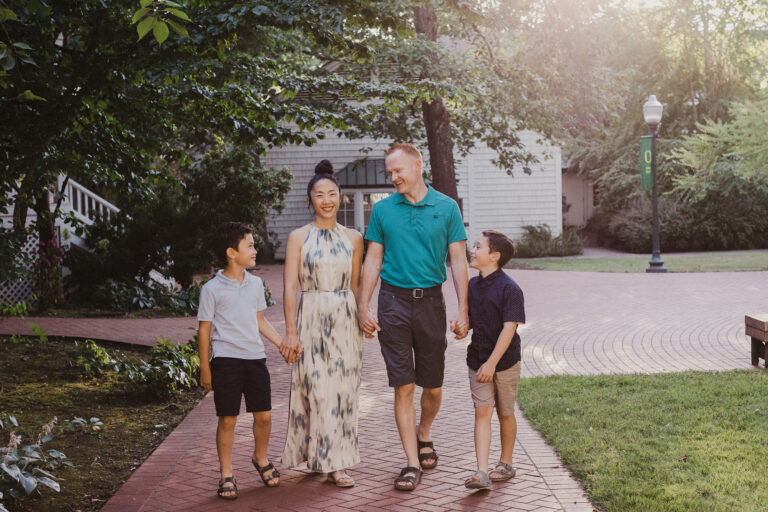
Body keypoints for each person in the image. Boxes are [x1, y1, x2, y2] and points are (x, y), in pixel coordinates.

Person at [357, 142, 469, 491]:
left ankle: (425, 432)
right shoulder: (383, 210)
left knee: (432, 386)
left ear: (418, 165)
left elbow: (458, 261)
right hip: (393, 302)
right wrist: (363, 305)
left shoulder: (447, 207)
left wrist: (464, 309)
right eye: (389, 172)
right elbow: (373, 259)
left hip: (431, 303)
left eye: (398, 170)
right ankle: (410, 462)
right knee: (403, 384)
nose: (393, 177)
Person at [280, 159, 365, 488]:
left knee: (342, 393)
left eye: (332, 194)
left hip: (345, 319)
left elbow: (355, 286)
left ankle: (336, 464)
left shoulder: (354, 238)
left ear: (340, 197)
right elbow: (290, 287)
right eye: (319, 195)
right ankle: (320, 456)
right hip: (311, 318)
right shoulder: (298, 237)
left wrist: (363, 319)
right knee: (316, 391)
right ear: (309, 200)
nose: (327, 200)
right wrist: (290, 332)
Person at [197, 221, 292, 500]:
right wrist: (205, 368)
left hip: (255, 358)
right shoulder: (212, 289)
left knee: (264, 416)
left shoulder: (256, 284)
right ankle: (226, 473)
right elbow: (204, 330)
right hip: (226, 360)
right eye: (249, 246)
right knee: (228, 419)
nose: (255, 250)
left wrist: (282, 344)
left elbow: (259, 321)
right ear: (231, 252)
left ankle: (260, 458)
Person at [458, 230, 524, 490]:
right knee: (482, 411)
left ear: (494, 256)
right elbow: (473, 320)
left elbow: (509, 329)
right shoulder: (473, 286)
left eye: (478, 247)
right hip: (477, 359)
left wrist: (492, 363)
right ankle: (481, 472)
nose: (472, 250)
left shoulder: (511, 289)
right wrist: (461, 328)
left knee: (505, 412)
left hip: (505, 362)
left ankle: (506, 463)